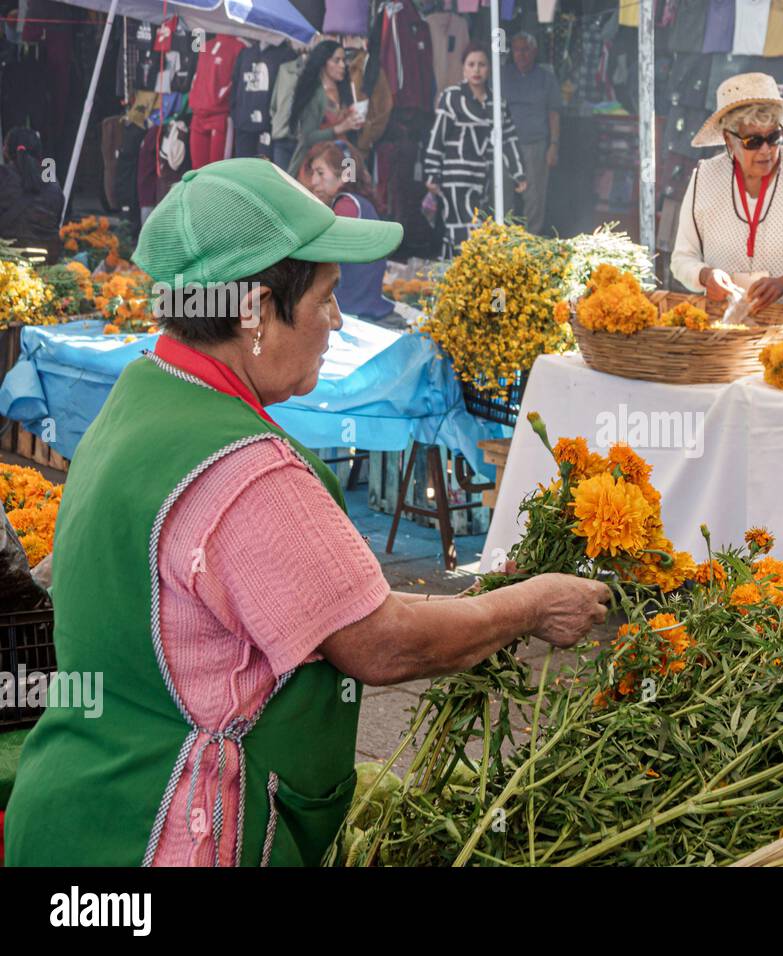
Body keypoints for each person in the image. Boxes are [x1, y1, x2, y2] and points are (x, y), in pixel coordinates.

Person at [2, 158, 610, 867]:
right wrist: (531, 604)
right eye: (324, 298)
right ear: (256, 311)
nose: (336, 319)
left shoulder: (144, 390)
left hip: (74, 817)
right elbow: (380, 643)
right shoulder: (246, 468)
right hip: (165, 834)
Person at [670, 73, 783, 317]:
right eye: (753, 141)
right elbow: (682, 259)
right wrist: (705, 276)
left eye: (773, 137)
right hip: (732, 329)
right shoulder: (705, 177)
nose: (766, 150)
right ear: (728, 140)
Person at [423, 45, 527, 261]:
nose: (476, 70)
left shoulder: (497, 102)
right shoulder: (452, 97)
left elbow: (508, 138)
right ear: (463, 69)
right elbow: (438, 136)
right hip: (455, 178)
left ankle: (446, 279)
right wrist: (432, 173)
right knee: (463, 229)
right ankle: (461, 280)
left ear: (489, 69)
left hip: (482, 179)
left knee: (463, 229)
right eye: (471, 65)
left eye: (481, 65)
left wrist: (518, 173)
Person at [301, 140, 398, 325]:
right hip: (364, 306)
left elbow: (321, 255)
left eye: (320, 173)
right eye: (313, 173)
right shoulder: (359, 203)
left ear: (344, 175)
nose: (313, 182)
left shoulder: (346, 206)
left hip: (351, 311)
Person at [500, 32, 561, 235]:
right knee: (501, 195)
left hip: (534, 144)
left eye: (525, 50)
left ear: (534, 52)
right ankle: (502, 241)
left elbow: (554, 113)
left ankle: (531, 240)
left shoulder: (546, 78)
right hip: (505, 145)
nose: (521, 55)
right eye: (516, 50)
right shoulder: (502, 75)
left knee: (534, 197)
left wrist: (554, 144)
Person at [287, 41, 365, 177]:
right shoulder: (314, 95)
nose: (342, 65)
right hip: (318, 166)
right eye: (336, 61)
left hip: (345, 160)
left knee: (350, 189)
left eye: (343, 60)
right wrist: (340, 128)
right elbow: (307, 138)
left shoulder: (345, 91)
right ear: (323, 63)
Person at [0, 128, 63, 263]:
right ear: (39, 152)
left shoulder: (3, 176)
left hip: (8, 262)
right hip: (47, 259)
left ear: (6, 151)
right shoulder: (52, 181)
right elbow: (56, 219)